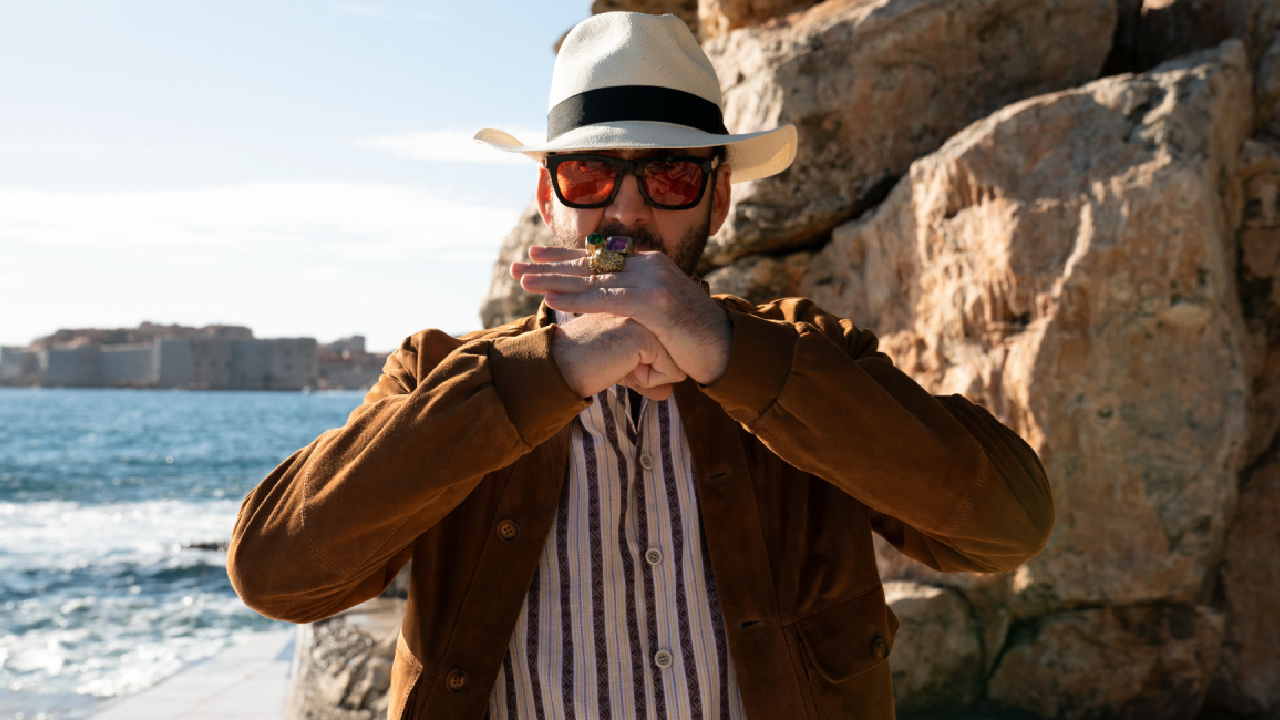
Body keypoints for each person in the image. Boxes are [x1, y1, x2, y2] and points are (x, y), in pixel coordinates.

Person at [228, 11, 1053, 720]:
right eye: (590, 173)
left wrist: (729, 355)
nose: (626, 209)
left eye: (668, 172)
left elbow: (1006, 525)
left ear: (717, 200)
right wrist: (552, 372)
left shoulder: (808, 359)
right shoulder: (439, 375)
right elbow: (274, 573)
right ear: (549, 199)